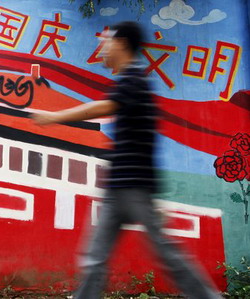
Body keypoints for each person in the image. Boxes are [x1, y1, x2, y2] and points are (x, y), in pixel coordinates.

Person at [31, 21, 222, 299]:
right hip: (120, 187)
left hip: (132, 188)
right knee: (96, 257)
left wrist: (54, 117)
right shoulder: (133, 82)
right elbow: (146, 139)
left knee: (166, 256)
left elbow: (103, 108)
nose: (102, 49)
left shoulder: (134, 80)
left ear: (121, 44)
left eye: (106, 42)